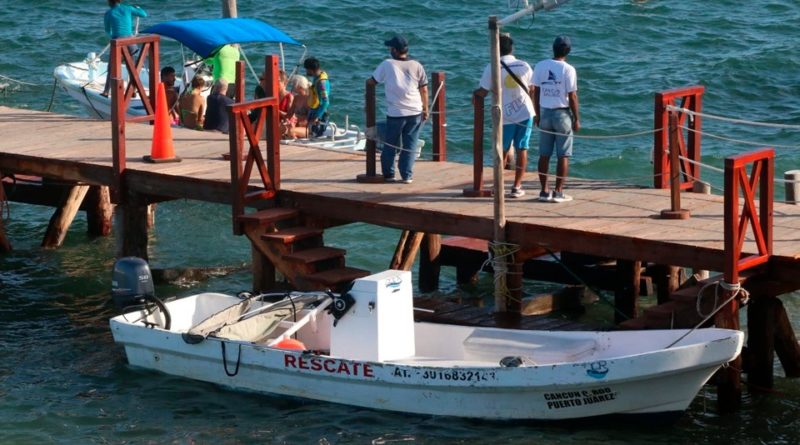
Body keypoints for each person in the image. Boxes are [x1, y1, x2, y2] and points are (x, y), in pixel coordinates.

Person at [475, 33, 535, 198]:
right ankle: (517, 186)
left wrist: (474, 96)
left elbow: (483, 91)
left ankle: (498, 185)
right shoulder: (524, 65)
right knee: (523, 148)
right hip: (525, 112)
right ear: (512, 48)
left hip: (505, 114)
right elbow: (532, 89)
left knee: (501, 150)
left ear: (495, 49)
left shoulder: (492, 67)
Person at [368, 34, 428, 184]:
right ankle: (407, 175)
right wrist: (425, 108)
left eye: (390, 48)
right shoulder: (417, 65)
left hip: (396, 113)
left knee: (390, 144)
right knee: (410, 144)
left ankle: (389, 174)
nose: (389, 50)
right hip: (415, 110)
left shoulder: (387, 64)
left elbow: (372, 81)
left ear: (394, 50)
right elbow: (424, 89)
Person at [532, 35, 580, 203]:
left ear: (553, 48)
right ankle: (558, 191)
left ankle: (544, 191)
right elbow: (572, 96)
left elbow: (536, 91)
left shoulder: (540, 65)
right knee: (563, 155)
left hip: (545, 112)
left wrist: (536, 113)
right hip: (562, 113)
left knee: (544, 154)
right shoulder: (569, 69)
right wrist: (576, 118)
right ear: (568, 51)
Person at [101, 0, 147, 97]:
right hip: (130, 43)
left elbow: (107, 30)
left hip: (118, 43)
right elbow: (144, 14)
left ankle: (106, 91)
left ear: (109, 2)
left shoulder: (109, 13)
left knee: (112, 68)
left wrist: (114, 37)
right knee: (131, 68)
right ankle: (133, 91)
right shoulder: (128, 8)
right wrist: (138, 8)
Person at [303, 57, 330, 137]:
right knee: (310, 133)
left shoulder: (321, 83)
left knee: (316, 135)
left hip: (320, 112)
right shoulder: (316, 77)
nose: (306, 71)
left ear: (311, 70)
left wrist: (317, 116)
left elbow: (326, 102)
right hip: (314, 109)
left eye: (307, 69)